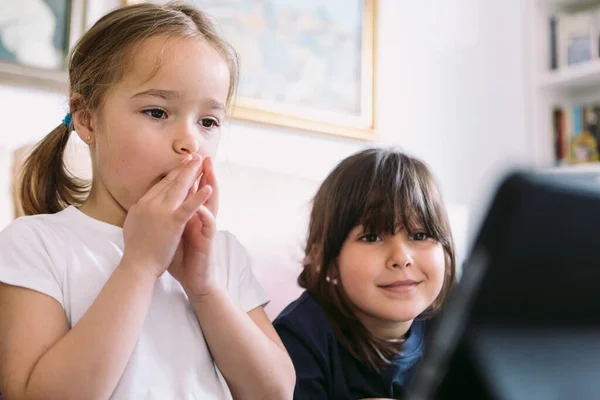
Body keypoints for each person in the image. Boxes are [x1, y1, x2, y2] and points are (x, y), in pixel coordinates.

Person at [0, 2, 295, 399]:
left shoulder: (220, 255)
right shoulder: (36, 243)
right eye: (157, 112)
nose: (190, 141)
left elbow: (275, 391)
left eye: (207, 121)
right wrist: (139, 265)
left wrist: (204, 286)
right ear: (87, 120)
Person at [273, 148, 456, 399]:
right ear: (327, 260)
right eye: (372, 237)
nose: (401, 258)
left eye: (420, 235)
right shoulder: (300, 336)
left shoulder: (452, 328)